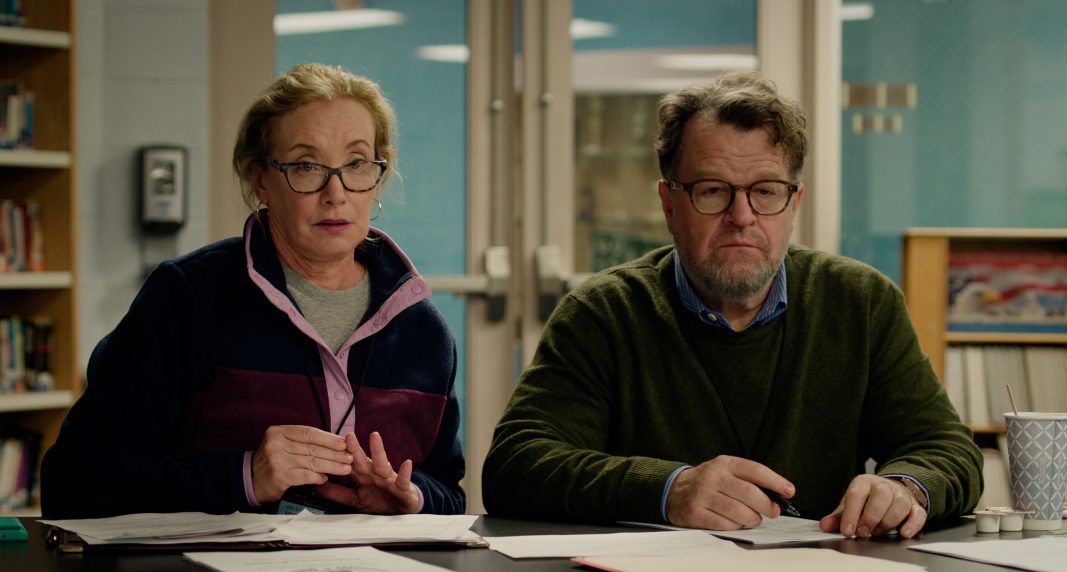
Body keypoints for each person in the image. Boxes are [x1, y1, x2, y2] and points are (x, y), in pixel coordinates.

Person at [482, 70, 982, 539]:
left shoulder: (861, 302)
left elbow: (946, 449)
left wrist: (904, 487)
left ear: (794, 203)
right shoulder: (604, 312)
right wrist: (667, 489)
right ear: (669, 204)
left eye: (765, 191)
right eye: (713, 191)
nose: (742, 216)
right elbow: (516, 465)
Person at [41, 63, 465, 518]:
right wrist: (245, 476)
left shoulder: (422, 329)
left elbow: (450, 495)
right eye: (306, 166)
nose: (335, 192)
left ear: (377, 176)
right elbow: (75, 479)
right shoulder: (188, 298)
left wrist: (412, 499)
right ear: (260, 179)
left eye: (356, 164)